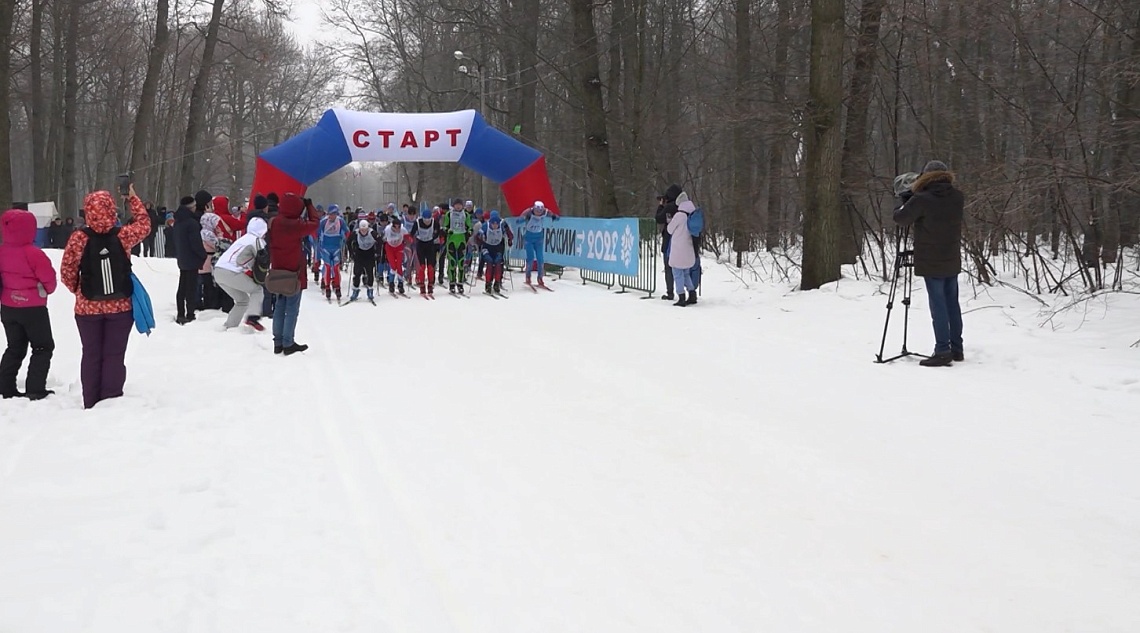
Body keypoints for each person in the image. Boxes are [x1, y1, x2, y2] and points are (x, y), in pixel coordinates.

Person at [60, 185, 150, 409]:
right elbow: (145, 225)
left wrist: (79, 292)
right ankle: (110, 402)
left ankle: (90, 400)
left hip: (87, 308)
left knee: (91, 354)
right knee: (114, 354)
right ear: (112, 209)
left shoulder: (78, 238)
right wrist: (133, 198)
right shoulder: (123, 235)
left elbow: (67, 272)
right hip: (120, 307)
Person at [893, 159, 965, 367]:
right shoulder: (957, 197)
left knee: (938, 305)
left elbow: (900, 218)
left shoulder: (922, 199)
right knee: (952, 303)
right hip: (951, 256)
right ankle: (956, 348)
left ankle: (942, 350)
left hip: (931, 259)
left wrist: (905, 201)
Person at [0, 209, 58, 400]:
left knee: (14, 347)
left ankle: (5, 387)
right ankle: (35, 388)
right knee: (42, 346)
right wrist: (47, 290)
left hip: (8, 307)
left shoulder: (2, 251)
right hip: (33, 308)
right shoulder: (34, 254)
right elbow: (49, 280)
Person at [268, 194, 319, 355]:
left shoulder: (274, 222)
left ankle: (278, 343)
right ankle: (288, 343)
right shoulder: (296, 225)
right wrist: (309, 206)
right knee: (291, 309)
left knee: (279, 307)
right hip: (294, 274)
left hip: (277, 271)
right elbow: (315, 223)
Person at [214, 217, 268, 331]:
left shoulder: (243, 238)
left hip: (218, 271)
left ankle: (229, 326)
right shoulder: (257, 241)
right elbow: (262, 260)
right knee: (257, 290)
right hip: (230, 272)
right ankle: (253, 317)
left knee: (242, 300)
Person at [172, 195, 208, 324]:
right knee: (191, 288)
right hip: (192, 258)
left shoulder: (178, 222)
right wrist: (203, 255)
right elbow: (196, 243)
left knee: (182, 286)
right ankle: (190, 313)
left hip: (182, 257)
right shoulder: (192, 223)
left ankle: (180, 312)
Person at [518, 200, 560, 287]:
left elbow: (553, 214)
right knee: (530, 258)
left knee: (540, 259)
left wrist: (555, 217)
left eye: (540, 211)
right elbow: (520, 218)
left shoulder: (545, 211)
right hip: (528, 239)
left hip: (539, 239)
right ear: (534, 209)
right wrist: (521, 219)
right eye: (537, 211)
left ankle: (540, 278)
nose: (538, 213)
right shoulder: (529, 212)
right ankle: (528, 276)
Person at [667, 193, 699, 306]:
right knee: (685, 273)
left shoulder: (679, 215)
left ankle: (681, 297)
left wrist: (669, 221)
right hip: (689, 249)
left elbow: (670, 230)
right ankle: (692, 294)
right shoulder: (692, 214)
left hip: (678, 250)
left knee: (677, 273)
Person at [317, 204, 348, 303]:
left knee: (335, 268)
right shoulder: (323, 222)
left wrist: (345, 238)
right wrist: (318, 242)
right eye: (330, 214)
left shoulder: (340, 221)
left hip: (336, 248)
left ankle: (337, 287)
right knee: (327, 267)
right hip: (325, 248)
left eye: (334, 214)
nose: (332, 216)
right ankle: (327, 287)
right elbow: (316, 232)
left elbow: (347, 232)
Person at [477, 210, 513, 295]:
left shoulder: (502, 225)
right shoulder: (485, 226)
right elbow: (477, 236)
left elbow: (509, 233)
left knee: (498, 263)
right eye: (493, 224)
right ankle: (488, 284)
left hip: (497, 248)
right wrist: (480, 241)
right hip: (487, 248)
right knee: (489, 263)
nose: (495, 226)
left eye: (496, 224)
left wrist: (510, 240)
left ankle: (497, 283)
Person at [441, 201, 472, 294]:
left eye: (460, 205)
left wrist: (469, 232)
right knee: (453, 262)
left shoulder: (466, 215)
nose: (458, 207)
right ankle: (452, 283)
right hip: (451, 241)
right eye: (456, 205)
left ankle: (460, 284)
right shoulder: (449, 214)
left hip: (461, 240)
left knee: (461, 263)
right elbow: (444, 227)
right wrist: (447, 231)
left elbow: (470, 227)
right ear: (454, 206)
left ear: (462, 206)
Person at [655, 188, 680, 300]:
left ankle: (670, 292)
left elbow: (659, 218)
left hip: (669, 240)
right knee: (682, 268)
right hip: (683, 241)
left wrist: (661, 206)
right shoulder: (683, 207)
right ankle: (687, 291)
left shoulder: (669, 207)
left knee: (669, 267)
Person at [346, 218, 378, 303]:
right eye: (362, 230)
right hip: (359, 253)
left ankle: (370, 290)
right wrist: (351, 253)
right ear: (359, 228)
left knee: (370, 273)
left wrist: (377, 253)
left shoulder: (372, 233)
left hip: (369, 253)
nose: (363, 231)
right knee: (357, 273)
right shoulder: (355, 233)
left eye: (365, 229)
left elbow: (380, 241)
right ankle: (355, 291)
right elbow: (348, 242)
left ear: (368, 228)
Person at [381, 214, 411, 295]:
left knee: (399, 265)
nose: (397, 229)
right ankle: (391, 283)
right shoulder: (388, 229)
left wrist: (410, 242)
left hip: (399, 247)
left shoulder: (403, 229)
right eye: (395, 228)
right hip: (390, 248)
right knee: (393, 266)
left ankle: (400, 284)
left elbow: (408, 237)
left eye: (399, 227)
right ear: (392, 226)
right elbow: (383, 238)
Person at [413, 208, 440, 297]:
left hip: (430, 245)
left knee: (431, 266)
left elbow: (438, 231)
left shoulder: (434, 222)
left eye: (428, 220)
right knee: (422, 266)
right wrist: (410, 238)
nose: (427, 222)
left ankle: (430, 284)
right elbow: (412, 232)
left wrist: (437, 236)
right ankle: (422, 285)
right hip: (420, 245)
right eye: (425, 220)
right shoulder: (417, 222)